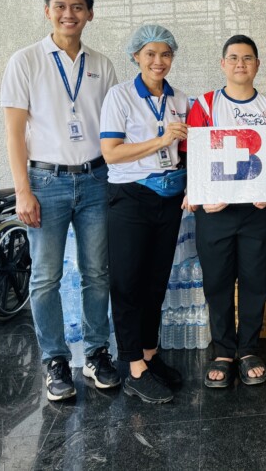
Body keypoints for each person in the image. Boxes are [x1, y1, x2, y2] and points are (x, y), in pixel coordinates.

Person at [1, 0, 120, 401]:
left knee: (97, 273)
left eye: (77, 7)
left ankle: (96, 353)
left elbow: (113, 129)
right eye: (60, 7)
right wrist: (22, 190)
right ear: (47, 11)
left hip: (95, 179)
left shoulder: (102, 64)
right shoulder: (25, 61)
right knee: (45, 276)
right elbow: (14, 133)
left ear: (90, 14)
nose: (69, 14)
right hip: (45, 181)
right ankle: (54, 359)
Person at [183, 34, 266, 388]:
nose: (240, 64)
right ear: (222, 64)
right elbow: (195, 154)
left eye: (247, 58)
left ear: (258, 64)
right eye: (233, 58)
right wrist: (197, 192)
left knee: (255, 282)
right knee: (218, 283)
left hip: (258, 211)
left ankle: (248, 350)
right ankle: (224, 351)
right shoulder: (206, 105)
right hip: (216, 211)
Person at [100, 25, 188, 404]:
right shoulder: (119, 96)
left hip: (169, 197)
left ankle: (150, 356)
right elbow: (111, 152)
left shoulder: (179, 99)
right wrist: (161, 141)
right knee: (127, 282)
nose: (158, 61)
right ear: (135, 56)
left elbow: (189, 150)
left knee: (156, 281)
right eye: (150, 53)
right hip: (131, 197)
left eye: (165, 54)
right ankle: (134, 367)